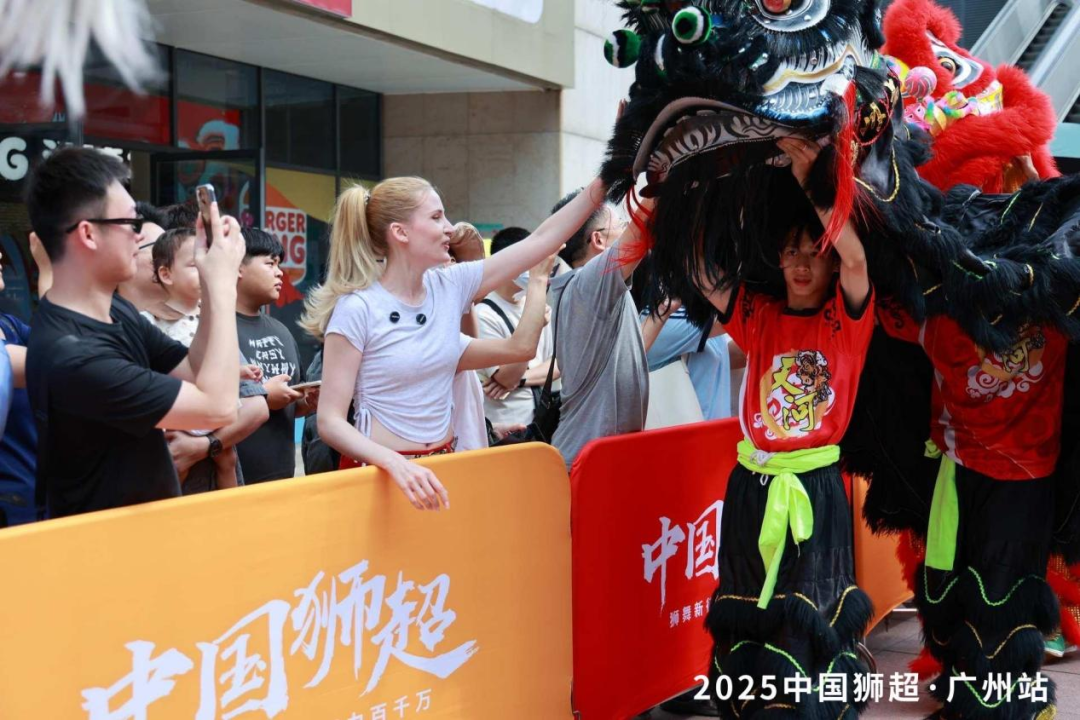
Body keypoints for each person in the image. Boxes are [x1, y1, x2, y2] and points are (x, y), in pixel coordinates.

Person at [695, 137, 874, 719]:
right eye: (791, 251)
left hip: (815, 490)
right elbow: (702, 273)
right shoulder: (759, 316)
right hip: (751, 487)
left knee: (808, 611)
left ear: (829, 261)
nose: (801, 264)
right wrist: (678, 191)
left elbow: (857, 261)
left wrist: (810, 179)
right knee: (747, 604)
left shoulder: (846, 320)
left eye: (813, 252)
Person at [302, 175, 608, 511]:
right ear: (400, 233)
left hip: (443, 472)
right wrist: (394, 463)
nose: (449, 228)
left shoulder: (449, 285)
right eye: (436, 217)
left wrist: (607, 179)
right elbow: (329, 421)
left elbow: (541, 239)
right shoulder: (356, 307)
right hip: (379, 479)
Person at [25, 147, 246, 518]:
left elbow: (194, 370)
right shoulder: (74, 356)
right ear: (88, 234)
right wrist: (224, 287)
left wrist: (211, 285)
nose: (139, 235)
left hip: (144, 532)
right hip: (102, 544)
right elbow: (216, 408)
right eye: (130, 223)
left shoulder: (116, 310)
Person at [877, 295, 1065, 714]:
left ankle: (1013, 707)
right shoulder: (943, 311)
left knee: (1004, 596)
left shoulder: (1057, 306)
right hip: (959, 468)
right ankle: (969, 700)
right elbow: (878, 306)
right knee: (954, 588)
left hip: (1024, 476)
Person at [147, 227, 270, 493]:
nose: (205, 271)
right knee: (177, 465)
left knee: (228, 458)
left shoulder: (213, 314)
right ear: (166, 274)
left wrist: (239, 371)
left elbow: (219, 364)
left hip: (216, 410)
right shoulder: (151, 320)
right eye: (195, 265)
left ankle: (230, 508)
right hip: (181, 410)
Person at [547, 192, 651, 470]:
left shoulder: (592, 288)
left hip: (598, 452)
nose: (627, 229)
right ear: (598, 240)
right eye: (621, 225)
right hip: (589, 458)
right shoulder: (589, 283)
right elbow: (643, 230)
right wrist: (661, 181)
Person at [234, 227, 315, 483]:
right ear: (238, 268)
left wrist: (308, 401)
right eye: (270, 263)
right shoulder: (214, 329)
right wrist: (264, 397)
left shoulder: (281, 331)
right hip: (232, 482)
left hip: (282, 479)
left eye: (279, 264)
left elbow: (292, 406)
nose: (280, 272)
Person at [474, 226, 558, 427]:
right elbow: (506, 378)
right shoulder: (483, 315)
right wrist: (536, 327)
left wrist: (521, 379)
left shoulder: (538, 305)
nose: (538, 270)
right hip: (506, 425)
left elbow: (559, 364)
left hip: (540, 419)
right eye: (532, 262)